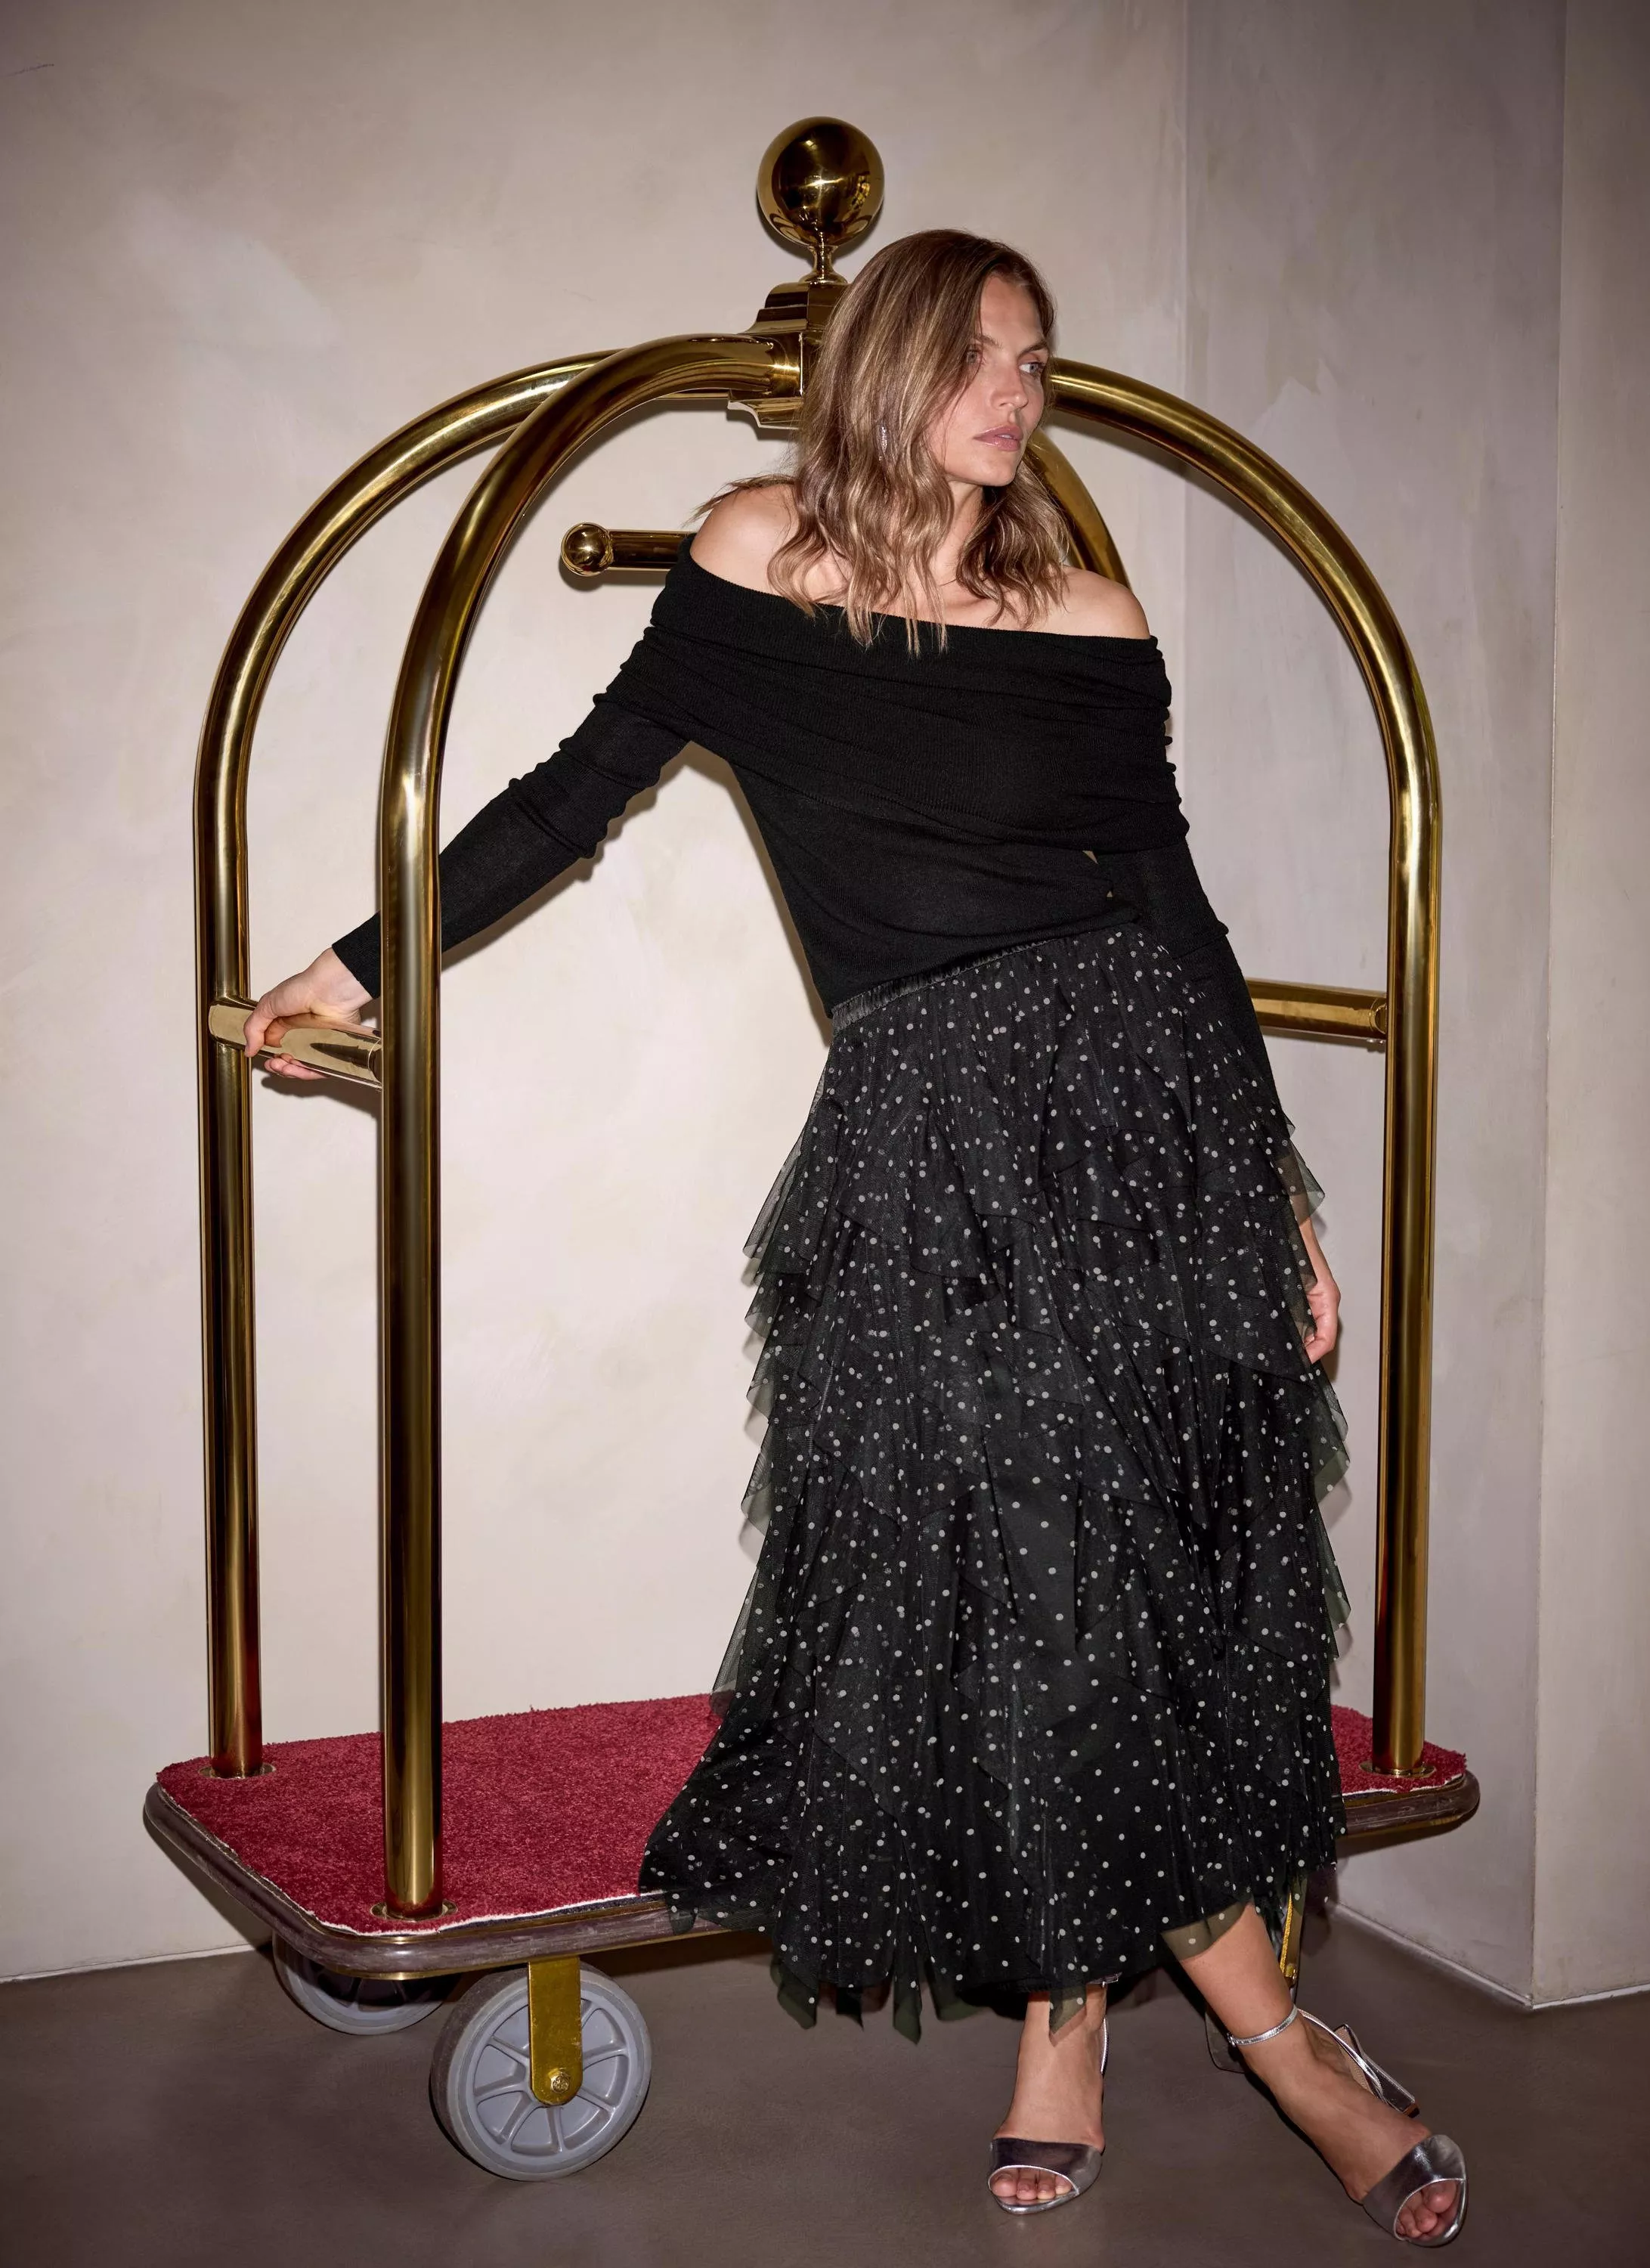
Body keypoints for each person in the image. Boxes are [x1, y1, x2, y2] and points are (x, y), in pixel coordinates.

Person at [246, 231, 1464, 2245]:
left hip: (1147, 1137)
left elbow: (1175, 911)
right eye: (976, 351)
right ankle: (1271, 2046)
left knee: (1127, 1588)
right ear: (885, 361)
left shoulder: (1089, 608)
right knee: (1032, 1590)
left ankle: (1083, 2030)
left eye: (1037, 359)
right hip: (929, 1150)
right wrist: (354, 967)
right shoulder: (755, 557)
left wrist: (1278, 1199)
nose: (1016, 390)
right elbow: (571, 798)